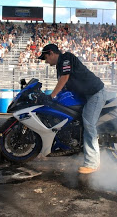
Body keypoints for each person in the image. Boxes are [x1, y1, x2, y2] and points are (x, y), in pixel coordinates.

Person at [38, 44, 106, 174]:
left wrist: (51, 96)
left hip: (95, 94)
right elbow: (64, 86)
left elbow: (64, 78)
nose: (46, 61)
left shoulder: (66, 58)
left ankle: (92, 163)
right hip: (85, 95)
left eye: (46, 57)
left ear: (51, 53)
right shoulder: (59, 67)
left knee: (88, 123)